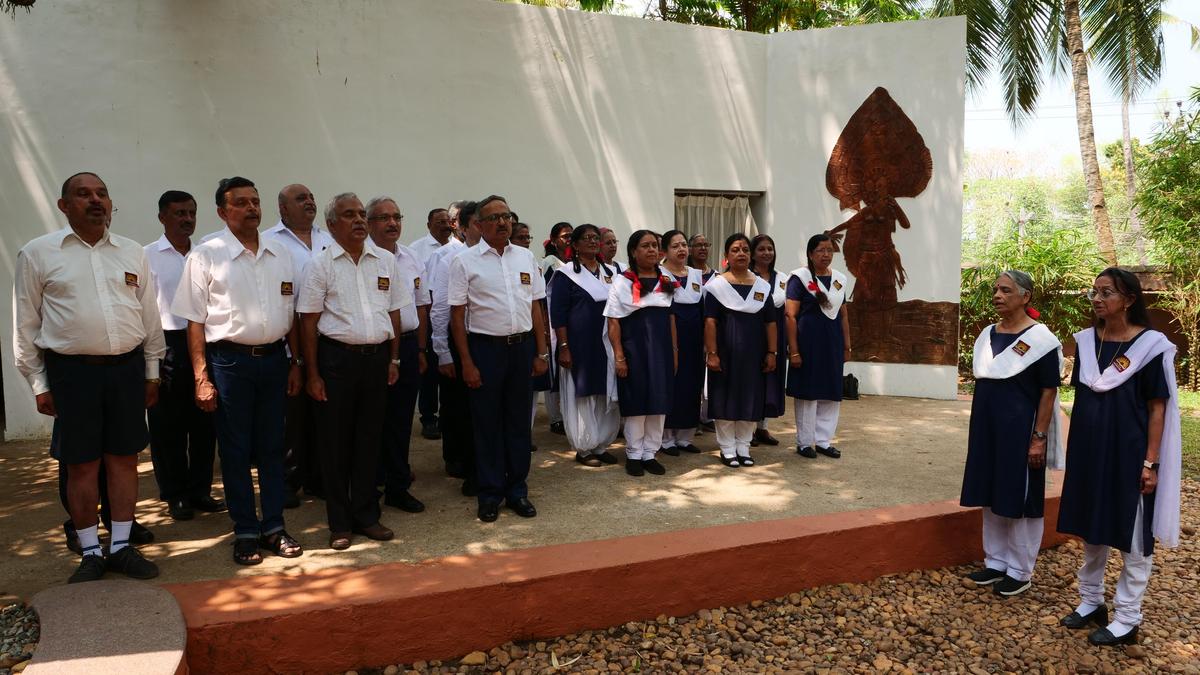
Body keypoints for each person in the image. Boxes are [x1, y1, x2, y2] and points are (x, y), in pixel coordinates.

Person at [14, 172, 166, 583]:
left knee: (124, 460)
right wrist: (38, 383)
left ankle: (121, 547)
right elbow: (25, 326)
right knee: (81, 464)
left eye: (102, 193)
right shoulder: (38, 253)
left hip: (127, 370)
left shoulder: (132, 252)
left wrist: (152, 373)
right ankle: (90, 551)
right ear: (64, 206)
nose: (95, 200)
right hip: (73, 373)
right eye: (83, 194)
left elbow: (149, 316)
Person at [173, 176, 305, 566]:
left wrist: (296, 363)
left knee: (273, 447)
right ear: (222, 211)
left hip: (275, 361)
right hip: (230, 363)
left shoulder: (280, 253)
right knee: (235, 450)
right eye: (241, 202)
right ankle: (246, 530)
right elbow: (194, 322)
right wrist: (201, 377)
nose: (251, 208)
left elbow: (292, 315)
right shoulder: (206, 255)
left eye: (255, 201)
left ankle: (274, 526)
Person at [1057, 268, 1181, 647]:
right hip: (1090, 453)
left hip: (1129, 455)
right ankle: (1091, 600)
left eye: (1106, 292)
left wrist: (1150, 462)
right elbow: (1086, 397)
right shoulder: (1087, 343)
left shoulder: (1150, 347)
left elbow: (1157, 408)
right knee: (1092, 525)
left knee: (1133, 534)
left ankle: (1128, 617)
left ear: (1128, 300)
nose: (1097, 299)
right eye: (1093, 292)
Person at [298, 193, 412, 549]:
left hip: (377, 360)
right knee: (335, 444)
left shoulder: (385, 261)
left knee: (369, 439)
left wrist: (394, 360)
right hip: (336, 361)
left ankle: (366, 515)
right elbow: (308, 321)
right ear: (332, 225)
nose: (360, 220)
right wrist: (312, 374)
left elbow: (394, 312)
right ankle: (340, 522)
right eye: (350, 215)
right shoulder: (320, 264)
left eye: (362, 214)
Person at [960, 271, 1062, 598]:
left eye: (1005, 290)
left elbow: (1048, 391)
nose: (997, 296)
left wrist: (1039, 437)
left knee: (1020, 496)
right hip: (987, 427)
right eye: (995, 290)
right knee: (990, 491)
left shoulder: (1041, 340)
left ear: (1025, 296)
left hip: (1020, 430)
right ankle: (996, 561)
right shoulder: (987, 335)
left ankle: (1020, 570)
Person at [448, 195, 549, 522]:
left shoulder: (525, 256)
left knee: (519, 423)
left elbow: (535, 306)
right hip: (485, 350)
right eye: (494, 218)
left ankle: (517, 490)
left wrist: (541, 352)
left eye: (507, 216)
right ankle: (490, 493)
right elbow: (457, 316)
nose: (503, 222)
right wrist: (466, 362)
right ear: (478, 225)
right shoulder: (464, 261)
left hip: (521, 349)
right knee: (487, 424)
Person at [145, 190, 222, 522]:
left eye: (191, 212)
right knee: (168, 425)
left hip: (204, 339)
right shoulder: (147, 256)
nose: (187, 219)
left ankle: (200, 489)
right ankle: (175, 493)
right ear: (162, 217)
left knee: (204, 420)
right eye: (179, 213)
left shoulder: (206, 254)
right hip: (166, 343)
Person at [265, 184, 333, 506]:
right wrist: (294, 356)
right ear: (282, 208)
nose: (309, 202)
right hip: (287, 340)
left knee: (323, 411)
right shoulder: (269, 242)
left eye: (311, 197)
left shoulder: (329, 238)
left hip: (327, 339)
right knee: (290, 417)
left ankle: (319, 478)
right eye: (301, 198)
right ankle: (288, 481)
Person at [366, 197, 429, 514]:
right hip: (375, 348)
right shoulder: (362, 258)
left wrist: (421, 349)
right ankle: (370, 483)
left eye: (397, 217)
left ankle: (397, 485)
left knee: (402, 419)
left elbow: (421, 306)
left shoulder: (411, 257)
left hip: (407, 344)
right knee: (372, 419)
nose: (392, 223)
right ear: (368, 223)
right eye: (383, 218)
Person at [604, 230, 677, 476]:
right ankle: (634, 454)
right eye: (645, 246)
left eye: (655, 245)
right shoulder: (622, 281)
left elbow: (671, 318)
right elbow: (613, 321)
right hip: (634, 351)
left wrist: (674, 351)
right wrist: (619, 356)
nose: (652, 250)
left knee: (659, 402)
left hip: (661, 351)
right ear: (634, 252)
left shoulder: (666, 279)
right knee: (637, 403)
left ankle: (650, 453)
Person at [550, 224, 621, 467]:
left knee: (604, 391)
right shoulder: (566, 274)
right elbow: (558, 314)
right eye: (587, 238)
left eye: (595, 238)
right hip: (579, 344)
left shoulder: (611, 272)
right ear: (575, 244)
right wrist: (564, 346)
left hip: (606, 343)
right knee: (583, 394)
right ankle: (584, 446)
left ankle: (600, 444)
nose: (593, 241)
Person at [704, 233, 777, 467]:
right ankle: (727, 448)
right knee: (725, 398)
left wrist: (772, 352)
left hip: (754, 354)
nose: (741, 253)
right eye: (735, 250)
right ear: (726, 255)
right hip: (725, 353)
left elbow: (770, 322)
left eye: (745, 249)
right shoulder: (716, 286)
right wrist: (712, 353)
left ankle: (743, 447)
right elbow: (710, 322)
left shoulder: (762, 287)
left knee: (749, 398)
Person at [786, 234, 852, 459]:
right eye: (821, 250)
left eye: (829, 250)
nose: (826, 255)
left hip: (832, 343)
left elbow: (843, 315)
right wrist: (794, 350)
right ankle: (805, 442)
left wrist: (847, 346)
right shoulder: (800, 278)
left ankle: (824, 441)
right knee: (809, 393)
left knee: (831, 393)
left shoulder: (839, 279)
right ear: (810, 254)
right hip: (808, 344)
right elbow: (790, 316)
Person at [430, 201, 480, 494]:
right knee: (456, 404)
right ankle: (456, 457)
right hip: (456, 336)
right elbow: (439, 308)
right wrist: (443, 352)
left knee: (477, 405)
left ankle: (477, 458)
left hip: (483, 339)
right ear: (462, 227)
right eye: (478, 223)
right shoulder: (448, 257)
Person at [411, 206, 456, 440]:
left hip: (452, 317)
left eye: (448, 221)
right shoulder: (416, 249)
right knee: (428, 370)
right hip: (427, 316)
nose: (445, 225)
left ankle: (449, 416)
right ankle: (428, 417)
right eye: (439, 222)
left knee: (450, 368)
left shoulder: (458, 248)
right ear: (428, 225)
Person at [659, 230, 704, 456]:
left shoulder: (696, 274)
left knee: (692, 385)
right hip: (670, 336)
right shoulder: (660, 274)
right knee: (672, 385)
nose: (681, 249)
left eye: (684, 245)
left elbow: (702, 308)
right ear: (665, 250)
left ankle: (685, 437)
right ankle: (666, 439)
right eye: (675, 246)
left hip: (694, 338)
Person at [751, 234, 785, 446]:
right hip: (754, 334)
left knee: (770, 381)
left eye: (770, 249)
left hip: (775, 335)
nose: (766, 253)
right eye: (761, 249)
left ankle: (762, 427)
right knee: (752, 380)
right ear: (753, 253)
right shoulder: (747, 277)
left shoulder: (781, 278)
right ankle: (748, 428)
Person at [688, 233, 716, 432]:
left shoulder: (717, 276)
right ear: (690, 249)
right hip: (691, 330)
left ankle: (707, 416)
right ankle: (692, 416)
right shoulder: (685, 274)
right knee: (693, 374)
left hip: (711, 330)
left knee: (709, 375)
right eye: (698, 245)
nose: (703, 248)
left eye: (706, 244)